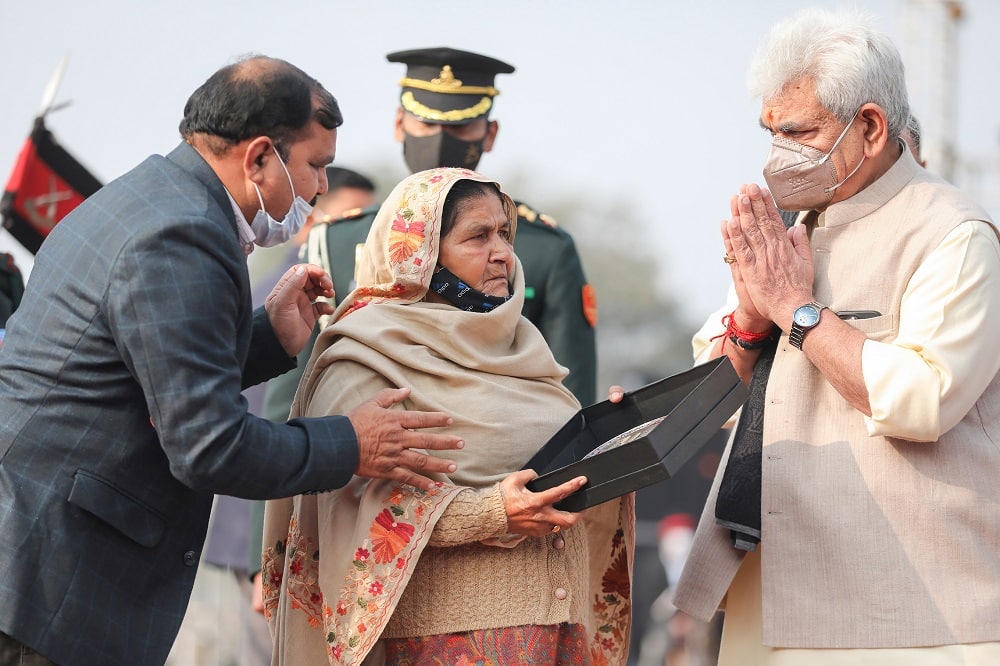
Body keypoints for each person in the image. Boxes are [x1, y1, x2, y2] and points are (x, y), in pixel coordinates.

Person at [0, 55, 464, 666]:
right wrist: (352, 443)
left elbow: (143, 365)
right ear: (260, 157)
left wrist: (267, 336)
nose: (322, 188)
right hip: (46, 585)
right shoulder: (183, 233)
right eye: (316, 167)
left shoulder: (150, 198)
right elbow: (208, 445)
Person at [673, 8, 1000, 664]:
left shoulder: (952, 234)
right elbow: (708, 393)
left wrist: (798, 310)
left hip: (909, 609)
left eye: (798, 132)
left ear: (871, 127)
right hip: (768, 595)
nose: (778, 155)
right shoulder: (787, 228)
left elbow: (922, 399)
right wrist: (750, 317)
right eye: (770, 132)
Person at [262, 167, 634, 665]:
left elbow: (551, 475)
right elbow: (351, 509)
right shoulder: (364, 357)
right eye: (478, 236)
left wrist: (612, 440)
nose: (502, 252)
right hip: (441, 645)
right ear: (421, 255)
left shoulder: (524, 348)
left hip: (556, 638)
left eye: (504, 232)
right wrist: (492, 513)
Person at [263, 46, 598, 418]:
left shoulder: (545, 249)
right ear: (398, 125)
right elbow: (292, 401)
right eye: (426, 125)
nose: (441, 140)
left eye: (460, 127)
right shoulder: (333, 241)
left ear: (489, 134)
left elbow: (570, 403)